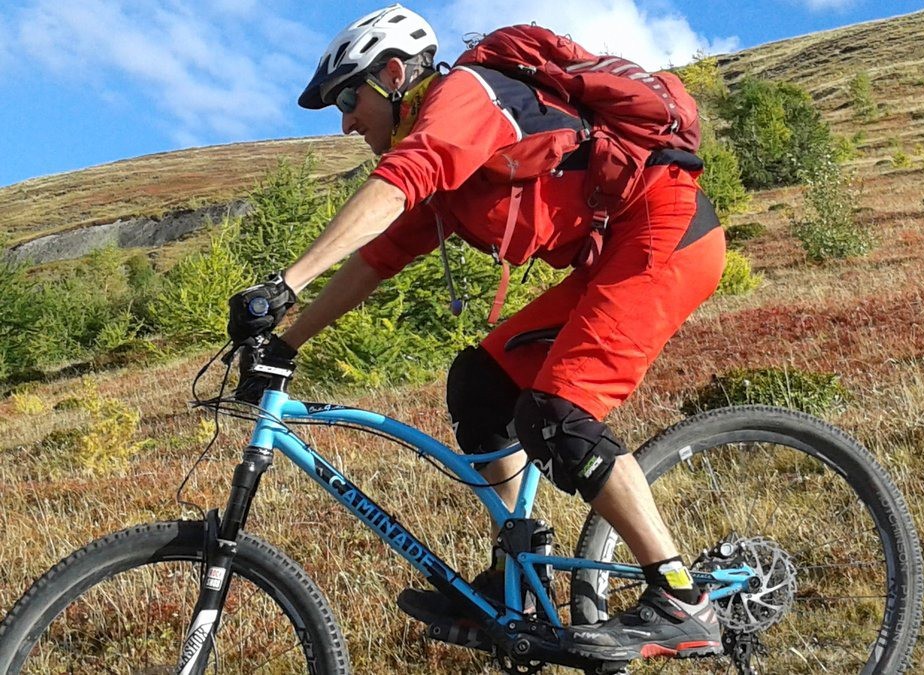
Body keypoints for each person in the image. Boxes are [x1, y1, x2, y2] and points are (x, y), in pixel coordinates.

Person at [226, 4, 726, 661]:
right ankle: (520, 579)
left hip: (667, 232)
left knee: (557, 416)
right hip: (618, 252)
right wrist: (287, 343)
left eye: (350, 98)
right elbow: (375, 258)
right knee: (481, 387)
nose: (346, 121)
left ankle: (682, 597)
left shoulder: (468, 96)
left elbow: (398, 184)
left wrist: (284, 283)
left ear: (396, 74)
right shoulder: (449, 172)